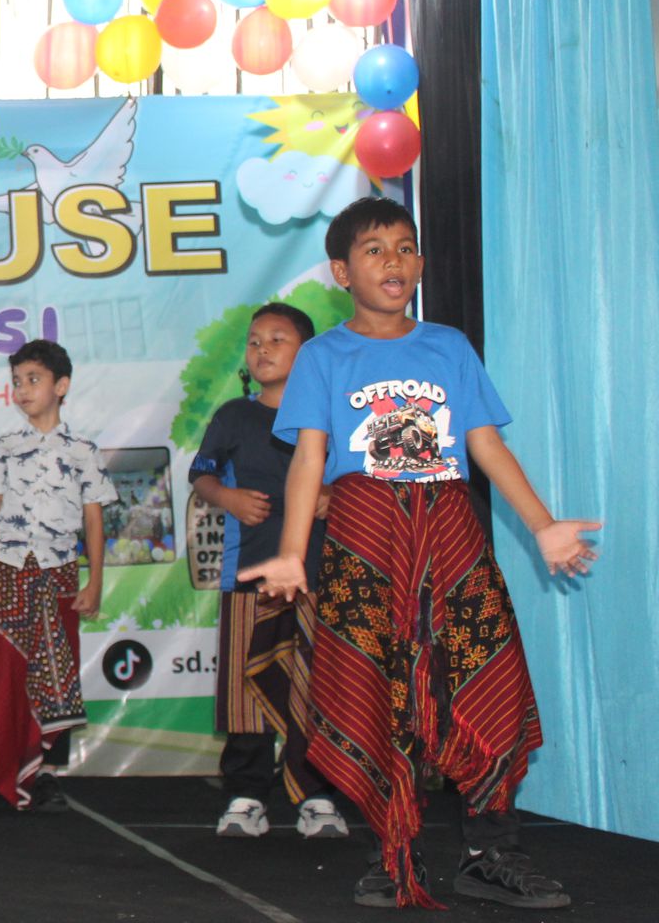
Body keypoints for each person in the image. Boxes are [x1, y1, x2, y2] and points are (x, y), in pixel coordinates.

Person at [239, 197, 601, 910]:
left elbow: (484, 444)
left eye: (406, 248)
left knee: (486, 682)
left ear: (421, 264)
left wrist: (542, 525)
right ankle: (391, 852)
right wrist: (291, 551)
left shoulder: (448, 346)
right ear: (343, 271)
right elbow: (308, 458)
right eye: (375, 250)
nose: (394, 261)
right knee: (378, 691)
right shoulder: (323, 356)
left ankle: (491, 854)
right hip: (365, 539)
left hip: (450, 536)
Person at [190, 304, 348, 840]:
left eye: (278, 339)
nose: (262, 349)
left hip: (321, 575)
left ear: (308, 353)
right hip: (250, 574)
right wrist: (227, 498)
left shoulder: (331, 414)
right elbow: (202, 476)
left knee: (318, 689)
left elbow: (360, 476)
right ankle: (246, 795)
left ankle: (317, 796)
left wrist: (333, 495)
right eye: (255, 340)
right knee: (245, 691)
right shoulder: (234, 416)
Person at [0, 340, 115, 814]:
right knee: (2, 675)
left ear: (61, 386)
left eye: (33, 380)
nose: (22, 390)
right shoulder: (6, 448)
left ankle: (46, 774)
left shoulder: (82, 451)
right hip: (7, 575)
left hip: (58, 575)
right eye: (16, 382)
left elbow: (93, 521)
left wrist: (94, 582)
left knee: (55, 673)